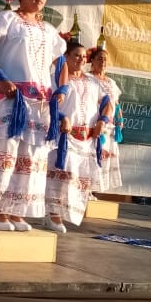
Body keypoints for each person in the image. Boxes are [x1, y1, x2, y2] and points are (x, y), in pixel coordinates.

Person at [0, 0, 68, 231]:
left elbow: (61, 62)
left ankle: (16, 211)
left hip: (39, 103)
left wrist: (61, 89)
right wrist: (2, 78)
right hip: (11, 98)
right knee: (7, 151)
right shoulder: (7, 19)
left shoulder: (49, 30)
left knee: (31, 156)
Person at [45, 41, 111, 233]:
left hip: (87, 138)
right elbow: (49, 102)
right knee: (61, 177)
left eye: (84, 56)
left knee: (77, 179)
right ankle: (52, 214)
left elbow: (107, 102)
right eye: (76, 55)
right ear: (65, 57)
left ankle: (62, 214)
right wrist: (62, 117)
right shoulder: (57, 78)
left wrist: (102, 121)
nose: (81, 59)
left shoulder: (92, 81)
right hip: (65, 135)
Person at [88, 46, 124, 193]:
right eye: (99, 59)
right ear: (92, 60)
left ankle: (95, 189)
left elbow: (116, 103)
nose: (103, 62)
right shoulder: (88, 78)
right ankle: (87, 189)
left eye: (105, 59)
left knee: (104, 157)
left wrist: (120, 119)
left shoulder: (111, 82)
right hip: (95, 123)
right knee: (92, 154)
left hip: (109, 126)